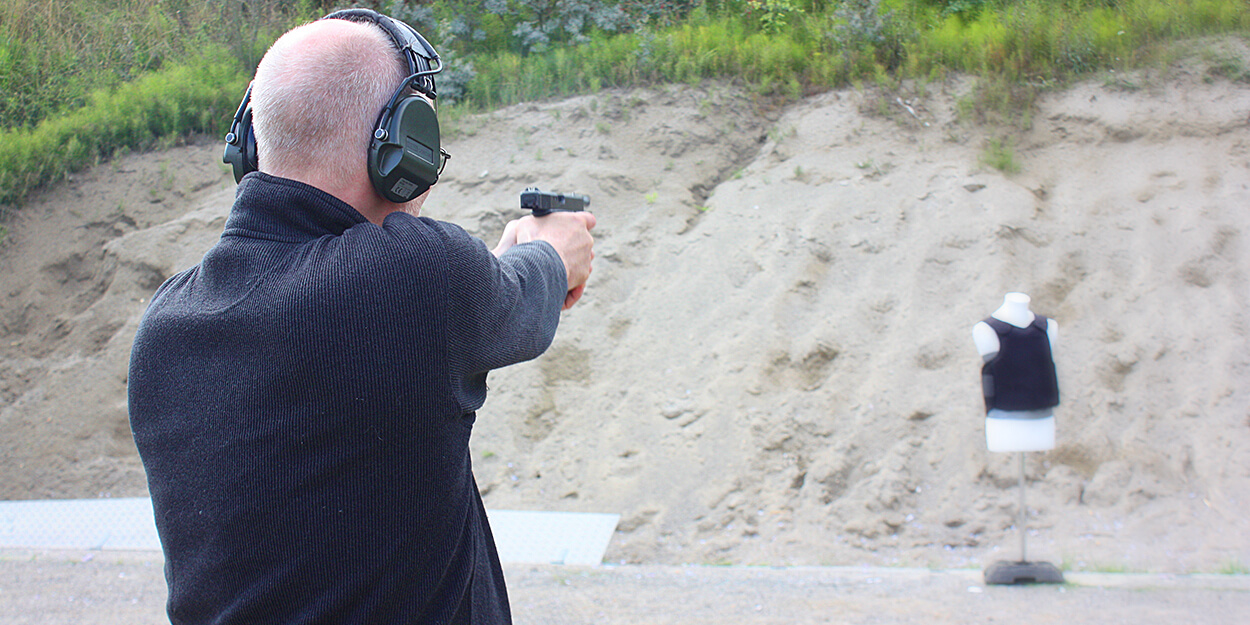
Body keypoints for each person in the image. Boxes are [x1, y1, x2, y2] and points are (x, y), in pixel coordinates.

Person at [128, 10, 594, 625]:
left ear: (247, 143)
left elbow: (406, 302)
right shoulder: (416, 278)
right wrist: (557, 251)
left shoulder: (167, 324)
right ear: (405, 144)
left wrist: (489, 274)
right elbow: (515, 299)